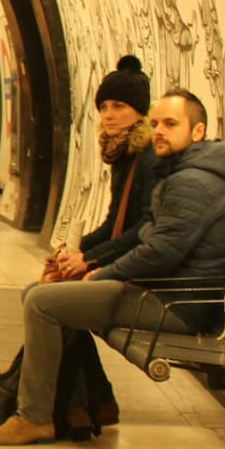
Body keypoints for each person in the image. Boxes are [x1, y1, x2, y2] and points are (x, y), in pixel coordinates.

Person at [0, 90, 225, 446]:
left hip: (177, 303)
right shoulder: (185, 174)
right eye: (155, 124)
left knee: (43, 303)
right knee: (44, 296)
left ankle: (34, 417)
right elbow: (152, 236)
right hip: (168, 292)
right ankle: (88, 402)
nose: (159, 132)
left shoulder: (192, 182)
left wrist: (100, 273)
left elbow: (161, 251)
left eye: (171, 123)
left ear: (197, 132)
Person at [41, 55, 155, 281]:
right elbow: (114, 222)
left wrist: (90, 259)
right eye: (103, 107)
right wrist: (73, 249)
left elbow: (146, 225)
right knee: (44, 285)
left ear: (139, 111)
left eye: (118, 106)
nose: (108, 115)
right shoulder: (120, 153)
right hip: (123, 256)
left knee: (43, 299)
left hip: (136, 266)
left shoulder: (149, 156)